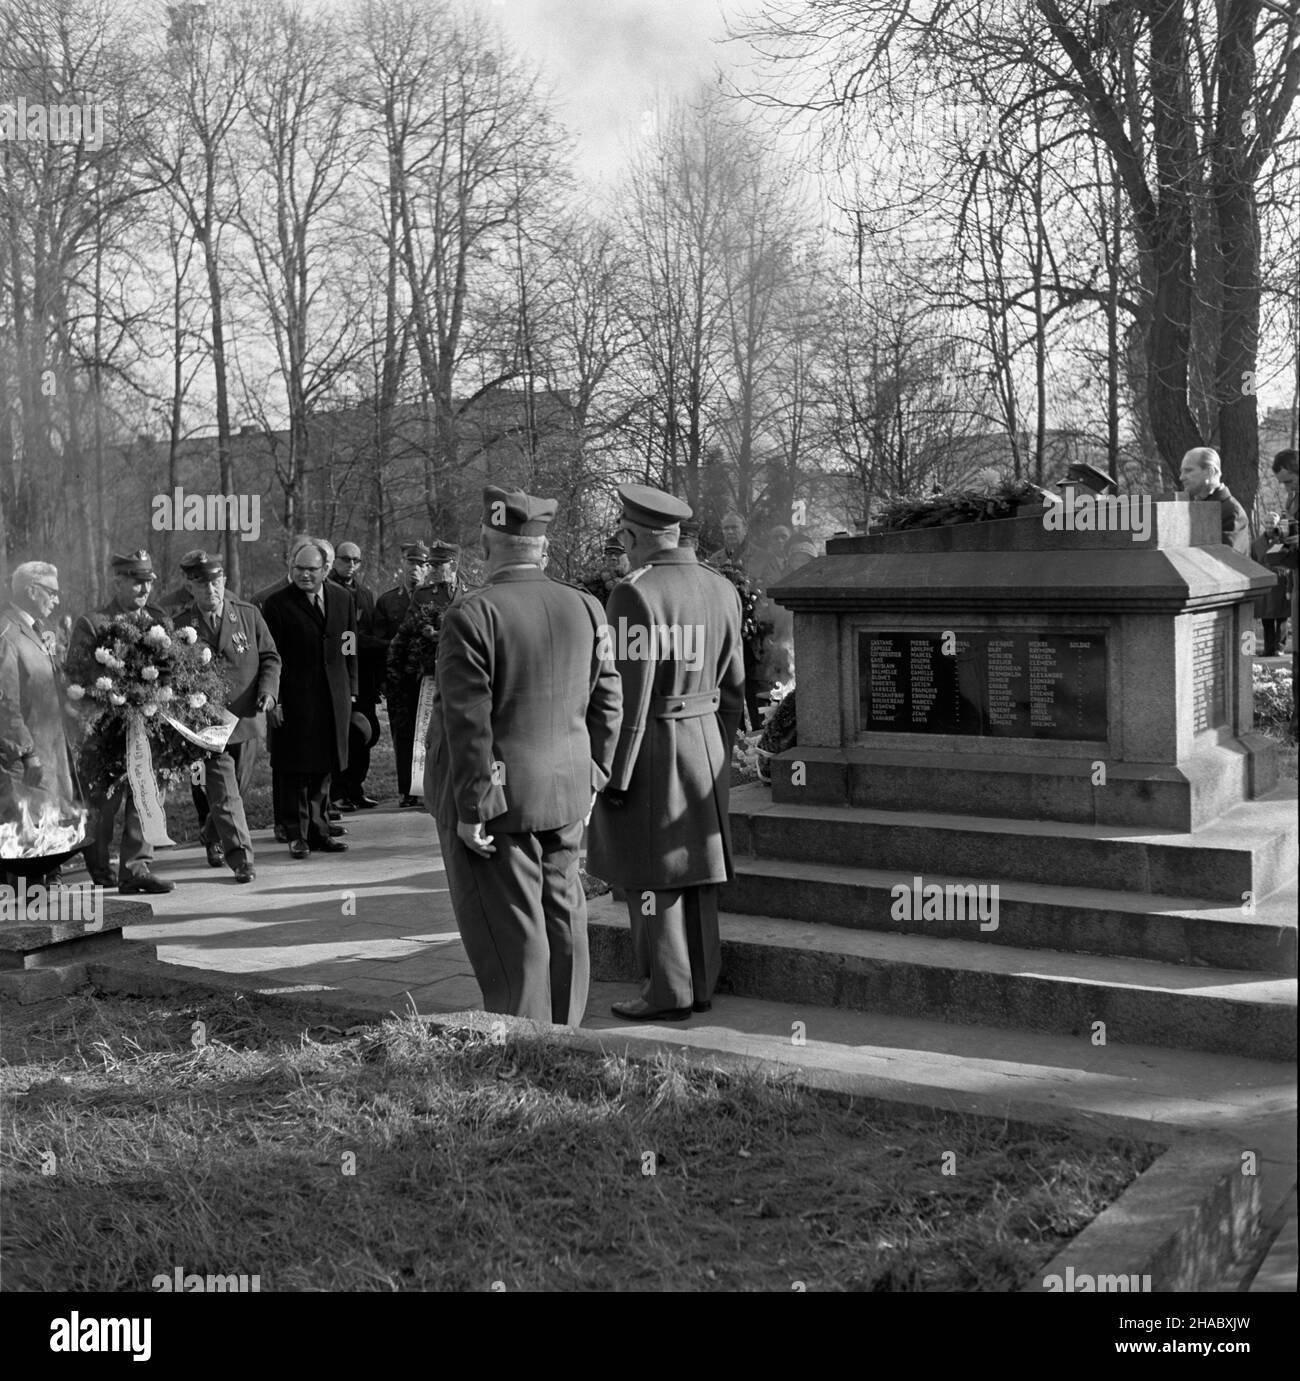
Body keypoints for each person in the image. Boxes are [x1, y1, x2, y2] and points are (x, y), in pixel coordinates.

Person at [426, 486, 622, 1026]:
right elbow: (608, 698)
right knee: (562, 912)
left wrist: (472, 808)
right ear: (543, 546)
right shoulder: (586, 605)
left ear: (487, 543)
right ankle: (566, 1034)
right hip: (565, 791)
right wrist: (594, 777)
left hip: (501, 800)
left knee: (512, 931)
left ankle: (522, 1041)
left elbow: (469, 722)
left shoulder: (472, 614)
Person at [588, 484, 745, 1022]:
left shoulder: (634, 593)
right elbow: (735, 692)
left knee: (649, 875)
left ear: (633, 535)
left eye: (622, 538)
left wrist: (612, 773)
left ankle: (665, 990)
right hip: (704, 744)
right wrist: (719, 753)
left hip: (651, 746)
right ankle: (699, 984)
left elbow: (625, 696)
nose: (622, 547)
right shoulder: (722, 588)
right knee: (695, 871)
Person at [65, 550, 174, 893]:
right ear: (118, 581)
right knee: (103, 803)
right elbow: (75, 677)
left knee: (144, 794)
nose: (144, 589)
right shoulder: (93, 622)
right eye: (136, 582)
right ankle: (99, 867)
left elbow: (173, 670)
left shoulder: (159, 619)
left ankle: (136, 869)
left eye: (148, 582)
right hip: (106, 728)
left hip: (147, 725)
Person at [170, 551, 280, 883]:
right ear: (190, 586)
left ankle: (211, 832)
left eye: (216, 583)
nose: (211, 591)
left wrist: (269, 692)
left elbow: (270, 657)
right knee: (223, 789)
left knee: (236, 790)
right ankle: (242, 859)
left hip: (246, 719)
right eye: (202, 585)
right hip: (206, 726)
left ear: (224, 581)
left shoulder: (248, 615)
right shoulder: (178, 626)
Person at [260, 536, 356, 858]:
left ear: (326, 569)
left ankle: (320, 832)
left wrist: (351, 689)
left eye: (311, 570)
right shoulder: (277, 605)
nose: (304, 575)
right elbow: (271, 658)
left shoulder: (343, 599)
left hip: (334, 697)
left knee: (325, 767)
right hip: (295, 700)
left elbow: (348, 644)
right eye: (298, 569)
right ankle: (297, 835)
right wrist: (276, 700)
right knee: (296, 770)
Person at [1, 563, 78, 886]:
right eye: (52, 592)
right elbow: (5, 703)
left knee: (45, 843)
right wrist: (27, 752)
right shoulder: (7, 634)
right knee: (23, 849)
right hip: (25, 761)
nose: (57, 601)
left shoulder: (36, 630)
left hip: (50, 753)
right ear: (31, 591)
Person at [374, 541, 434, 805]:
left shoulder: (434, 598)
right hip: (399, 680)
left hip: (428, 679)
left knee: (430, 733)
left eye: (422, 564)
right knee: (403, 734)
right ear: (403, 565)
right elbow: (373, 640)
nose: (416, 569)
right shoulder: (388, 601)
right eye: (411, 563)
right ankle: (407, 790)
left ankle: (429, 787)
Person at [328, 541, 383, 810]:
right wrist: (377, 643)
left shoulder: (365, 595)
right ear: (335, 560)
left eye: (356, 560)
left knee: (366, 733)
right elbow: (347, 639)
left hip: (363, 677)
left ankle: (355, 787)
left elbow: (366, 634)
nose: (351, 564)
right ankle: (337, 791)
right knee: (343, 736)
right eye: (346, 559)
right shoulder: (327, 592)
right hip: (338, 675)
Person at [1179, 447, 1249, 555]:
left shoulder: (1231, 512)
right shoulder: (1192, 508)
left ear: (1210, 472)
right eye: (1182, 471)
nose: (1181, 477)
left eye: (1188, 470)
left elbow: (1230, 562)